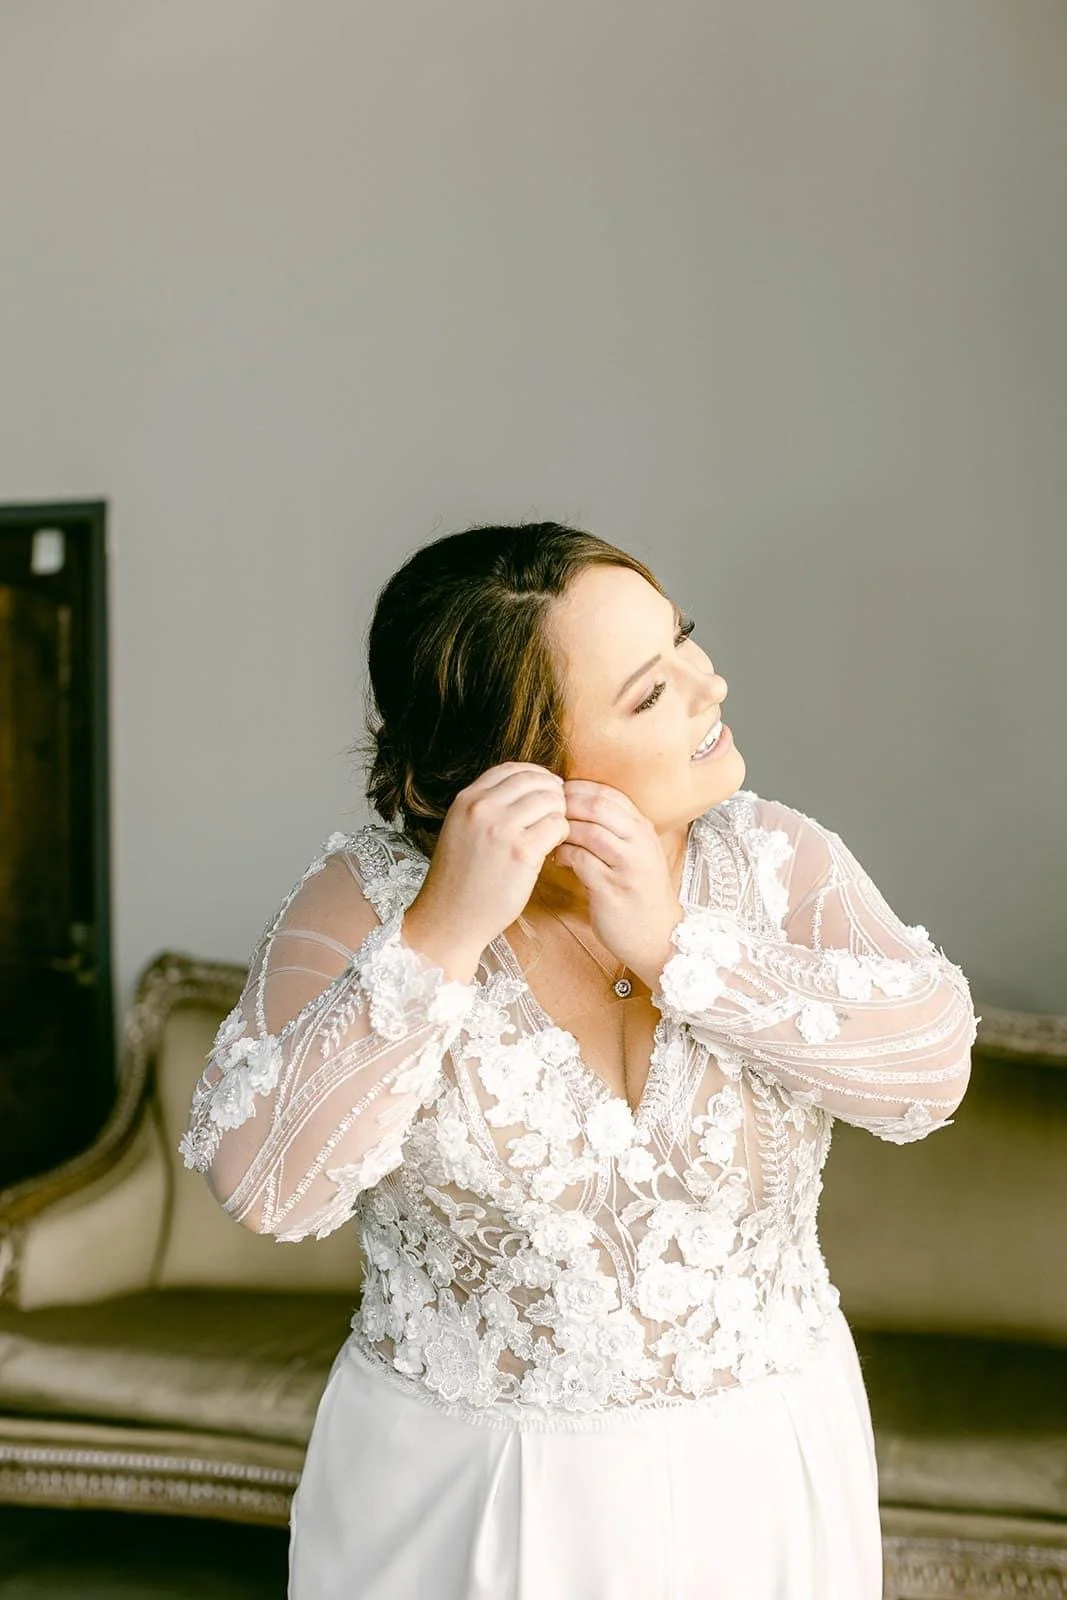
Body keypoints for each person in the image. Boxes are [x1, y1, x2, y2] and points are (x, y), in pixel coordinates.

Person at [180, 521, 979, 1599]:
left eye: (683, 645)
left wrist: (681, 952)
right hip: (463, 1503)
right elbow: (269, 1190)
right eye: (649, 693)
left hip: (764, 1480)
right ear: (514, 765)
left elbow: (930, 1068)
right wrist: (439, 936)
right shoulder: (365, 908)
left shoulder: (775, 861)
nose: (711, 684)